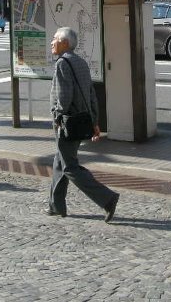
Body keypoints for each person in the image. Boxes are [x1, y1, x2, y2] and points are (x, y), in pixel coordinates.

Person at [44, 27, 119, 222]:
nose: (52, 42)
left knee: (70, 167)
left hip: (67, 124)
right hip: (81, 121)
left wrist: (57, 117)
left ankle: (107, 198)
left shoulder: (62, 64)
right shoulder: (81, 62)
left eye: (55, 39)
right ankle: (56, 204)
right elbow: (91, 95)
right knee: (59, 162)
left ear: (65, 43)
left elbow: (64, 96)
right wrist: (94, 121)